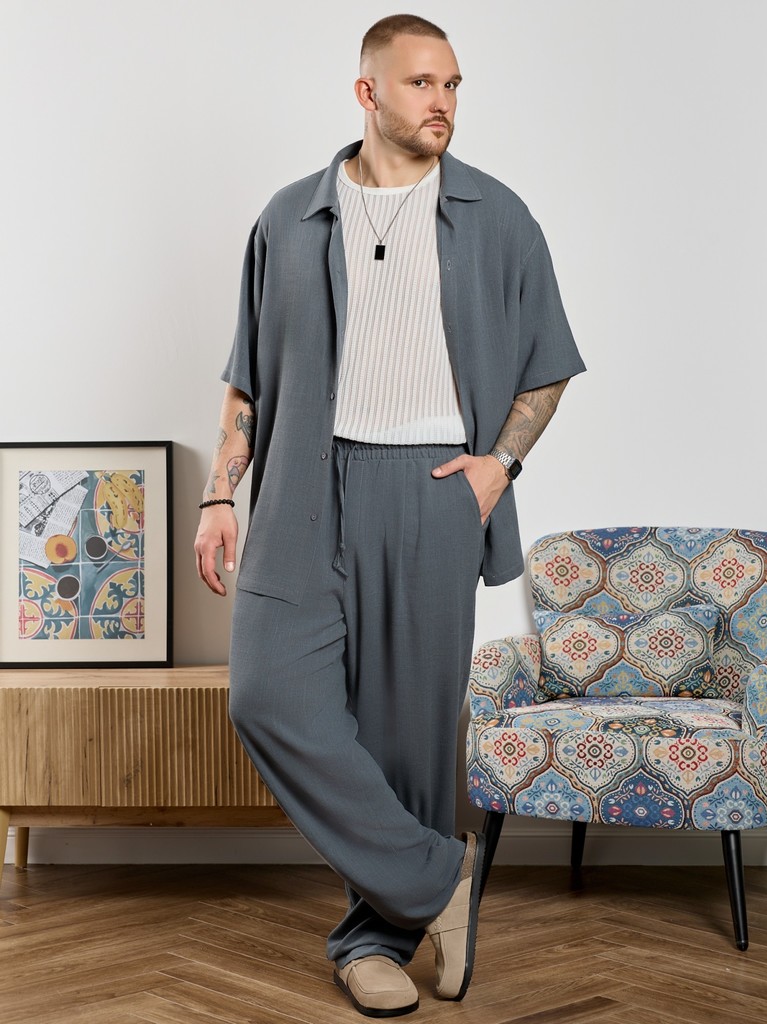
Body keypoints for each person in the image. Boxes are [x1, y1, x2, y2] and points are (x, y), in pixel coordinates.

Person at [194, 13, 585, 1018]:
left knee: (406, 738)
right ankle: (438, 875)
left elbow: (547, 363)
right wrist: (219, 491)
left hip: (429, 490)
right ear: (367, 93)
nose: (442, 101)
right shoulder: (289, 218)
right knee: (265, 696)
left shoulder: (497, 216)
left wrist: (499, 466)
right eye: (420, 83)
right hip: (299, 486)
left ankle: (375, 939)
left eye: (452, 83)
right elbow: (247, 377)